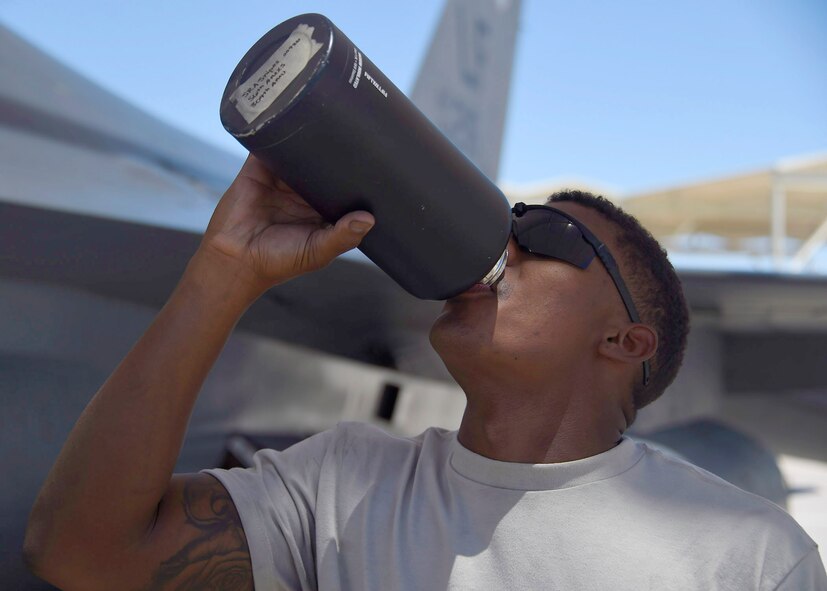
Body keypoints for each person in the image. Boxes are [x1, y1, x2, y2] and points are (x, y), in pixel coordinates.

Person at [24, 156, 826, 590]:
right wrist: (222, 272)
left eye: (544, 234)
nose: (498, 245)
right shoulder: (339, 486)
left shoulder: (746, 559)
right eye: (504, 223)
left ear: (624, 339)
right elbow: (84, 553)